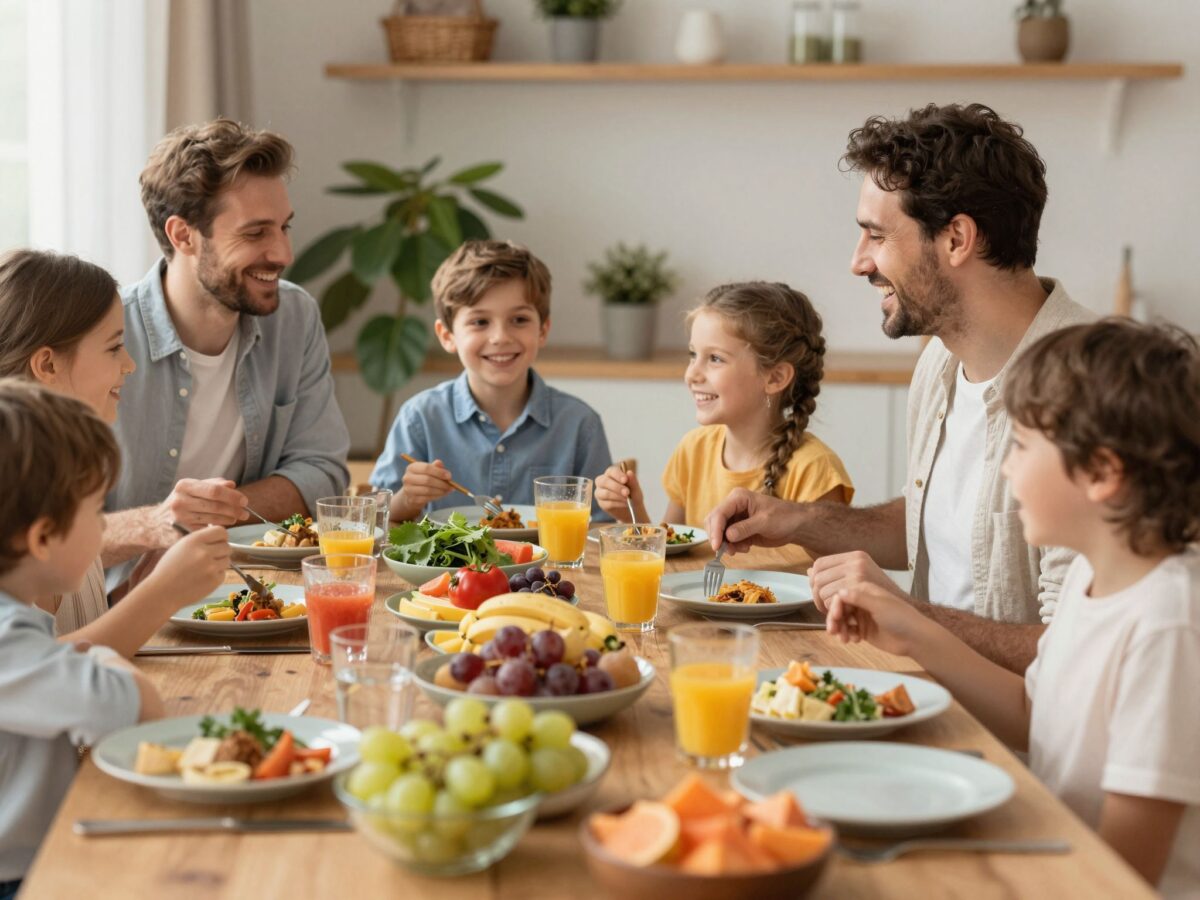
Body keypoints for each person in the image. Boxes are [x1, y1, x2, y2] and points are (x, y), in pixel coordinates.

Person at [706, 103, 1094, 672]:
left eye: (875, 235)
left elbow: (1081, 655)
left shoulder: (1091, 391)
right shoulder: (939, 362)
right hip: (928, 694)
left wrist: (908, 615)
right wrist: (798, 520)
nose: (858, 262)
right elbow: (933, 524)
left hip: (1021, 748)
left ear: (957, 238)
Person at [821, 320, 1200, 896]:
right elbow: (1032, 713)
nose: (1005, 468)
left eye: (1022, 447)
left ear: (1100, 472)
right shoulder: (1093, 579)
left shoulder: (1168, 622)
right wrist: (912, 630)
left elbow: (1126, 874)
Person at [107, 118, 350, 584]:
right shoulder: (103, 338)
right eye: (256, 233)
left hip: (254, 590)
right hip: (117, 610)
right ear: (183, 236)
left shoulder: (294, 318)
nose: (283, 252)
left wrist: (205, 521)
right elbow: (42, 532)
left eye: (284, 227)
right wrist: (157, 526)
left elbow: (321, 471)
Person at [0, 249, 230, 656]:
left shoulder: (60, 471)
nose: (129, 365)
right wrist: (161, 595)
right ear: (47, 364)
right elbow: (28, 670)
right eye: (113, 348)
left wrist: (140, 576)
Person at [0, 380, 165, 899]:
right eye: (96, 512)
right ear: (42, 538)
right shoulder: (6, 635)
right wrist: (100, 657)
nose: (105, 527)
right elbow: (136, 707)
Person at [596, 282, 853, 568]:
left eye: (715, 358)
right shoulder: (694, 449)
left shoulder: (816, 470)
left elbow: (838, 584)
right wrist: (632, 511)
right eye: (693, 355)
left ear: (775, 378)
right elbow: (669, 560)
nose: (692, 373)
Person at [372, 240, 613, 521]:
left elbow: (599, 529)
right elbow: (375, 519)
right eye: (480, 322)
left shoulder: (579, 424)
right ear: (447, 335)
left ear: (543, 330)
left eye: (519, 319)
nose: (500, 337)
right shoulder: (420, 418)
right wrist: (408, 499)